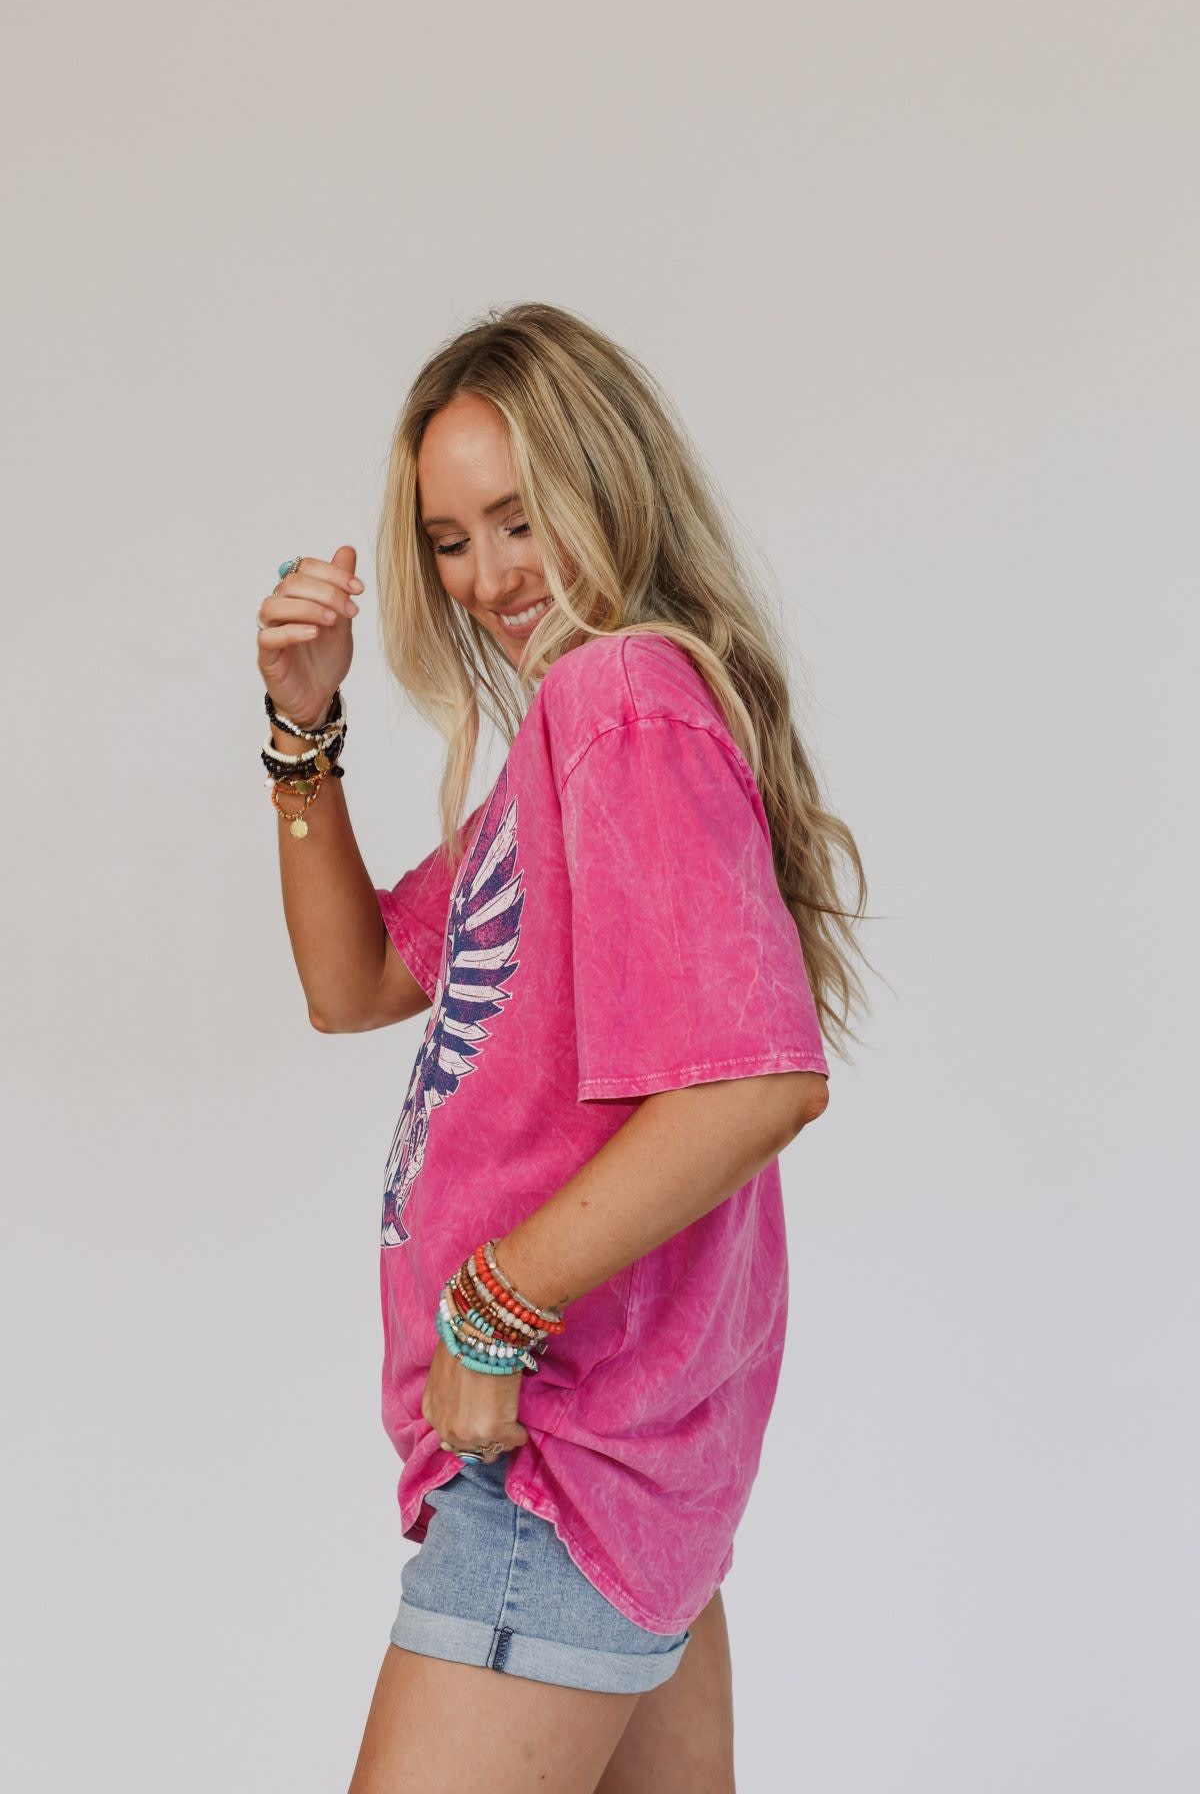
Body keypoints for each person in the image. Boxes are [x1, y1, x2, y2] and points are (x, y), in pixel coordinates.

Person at [256, 303, 872, 1794]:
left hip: (554, 1461)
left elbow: (757, 1080)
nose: (489, 577)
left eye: (520, 519)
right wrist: (303, 727)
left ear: (607, 484)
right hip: (632, 1470)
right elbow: (353, 982)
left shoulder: (619, 702)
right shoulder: (576, 746)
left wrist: (489, 1315)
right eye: (451, 541)